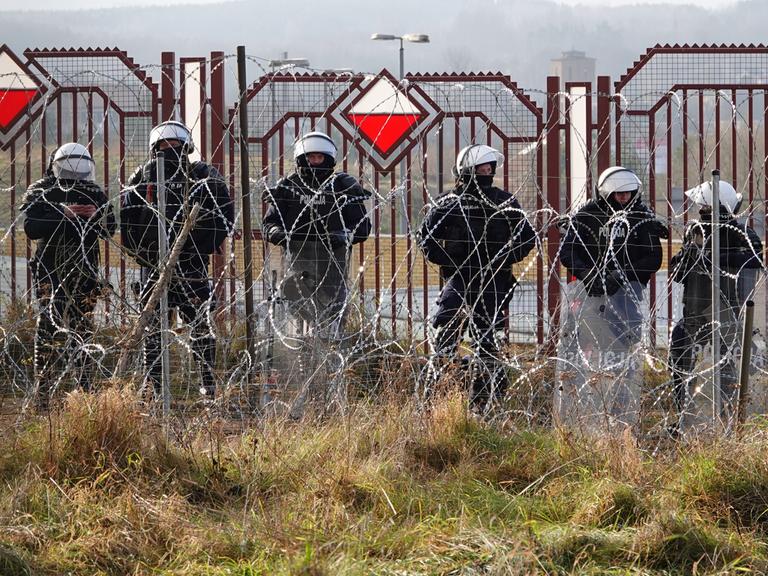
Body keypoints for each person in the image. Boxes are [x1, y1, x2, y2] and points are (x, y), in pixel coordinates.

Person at [417, 144, 536, 416]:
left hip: (495, 279)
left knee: (486, 338)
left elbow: (527, 236)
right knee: (445, 327)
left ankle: (483, 401)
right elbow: (426, 237)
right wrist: (450, 260)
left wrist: (504, 258)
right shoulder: (450, 201)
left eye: (490, 167)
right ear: (467, 171)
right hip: (459, 277)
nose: (488, 172)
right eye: (482, 168)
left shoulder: (504, 201)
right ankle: (446, 391)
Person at [120, 120, 234, 400]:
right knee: (153, 327)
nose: (169, 150)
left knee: (200, 324)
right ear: (153, 149)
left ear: (187, 148)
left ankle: (208, 384)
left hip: (192, 262)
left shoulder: (202, 176)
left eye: (175, 146)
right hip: (153, 265)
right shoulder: (142, 178)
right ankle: (155, 387)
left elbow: (223, 217)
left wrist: (198, 245)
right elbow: (128, 223)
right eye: (163, 146)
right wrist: (145, 255)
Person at [557, 166, 667, 430]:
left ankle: (619, 409)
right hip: (588, 295)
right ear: (606, 193)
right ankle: (585, 407)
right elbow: (568, 251)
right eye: (618, 195)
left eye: (628, 194)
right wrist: (586, 274)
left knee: (623, 351)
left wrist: (624, 275)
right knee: (586, 350)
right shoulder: (587, 215)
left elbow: (653, 258)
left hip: (627, 296)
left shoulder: (641, 217)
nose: (623, 199)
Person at [22, 142, 116, 410]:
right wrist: (65, 214)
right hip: (49, 271)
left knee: (82, 331)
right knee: (48, 328)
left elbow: (111, 228)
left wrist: (96, 215)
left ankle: (84, 391)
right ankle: (43, 392)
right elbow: (31, 227)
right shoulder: (43, 190)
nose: (75, 179)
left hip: (84, 272)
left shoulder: (93, 192)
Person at [668, 179, 763, 433]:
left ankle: (729, 420)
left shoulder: (743, 234)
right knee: (679, 353)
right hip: (697, 313)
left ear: (718, 209)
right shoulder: (696, 233)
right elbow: (676, 272)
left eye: (704, 207)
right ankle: (685, 416)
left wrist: (713, 257)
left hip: (729, 314)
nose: (699, 211)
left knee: (727, 367)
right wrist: (692, 253)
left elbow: (754, 259)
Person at [262, 131, 371, 341]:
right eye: (311, 157)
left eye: (320, 158)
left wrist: (345, 236)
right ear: (302, 159)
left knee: (332, 311)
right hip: (297, 258)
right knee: (295, 301)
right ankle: (301, 348)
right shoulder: (288, 186)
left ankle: (330, 350)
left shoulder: (341, 186)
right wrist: (276, 232)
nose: (315, 162)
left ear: (328, 159)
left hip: (333, 259)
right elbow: (270, 222)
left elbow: (362, 226)